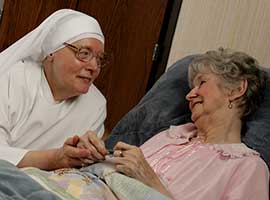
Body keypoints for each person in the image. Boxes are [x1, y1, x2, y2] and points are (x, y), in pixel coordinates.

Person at [82, 48, 269, 199]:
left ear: (237, 89)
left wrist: (152, 183)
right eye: (191, 88)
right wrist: (92, 154)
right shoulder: (171, 136)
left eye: (202, 83)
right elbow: (115, 176)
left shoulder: (247, 167)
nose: (189, 95)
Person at [0, 9, 110, 170]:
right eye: (84, 53)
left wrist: (84, 152)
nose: (94, 67)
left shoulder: (96, 104)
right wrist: (55, 159)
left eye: (99, 59)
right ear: (52, 52)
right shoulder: (13, 78)